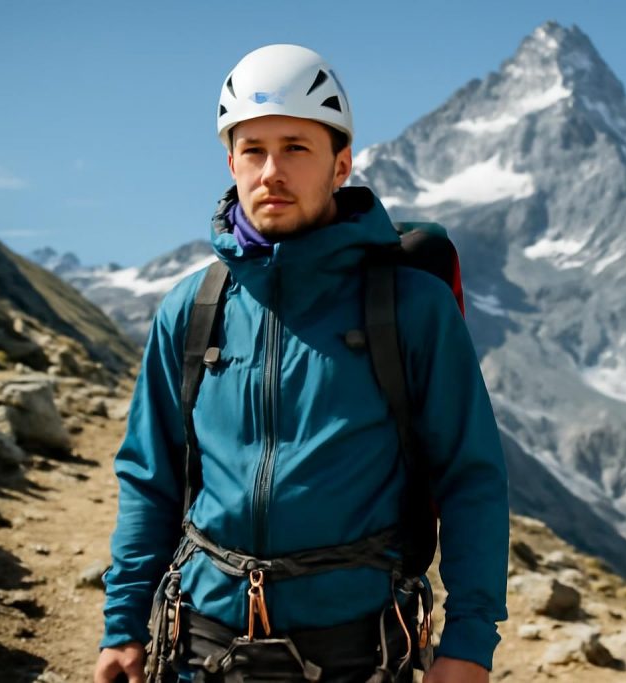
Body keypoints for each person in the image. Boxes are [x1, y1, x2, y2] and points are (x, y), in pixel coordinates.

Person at [93, 44, 509, 683]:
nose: (271, 171)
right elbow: (151, 477)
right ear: (230, 160)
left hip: (358, 649)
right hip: (201, 645)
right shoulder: (193, 308)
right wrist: (123, 626)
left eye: (296, 147)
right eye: (253, 149)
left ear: (340, 164)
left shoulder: (412, 308)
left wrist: (470, 641)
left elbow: (471, 478)